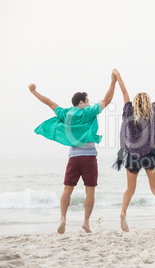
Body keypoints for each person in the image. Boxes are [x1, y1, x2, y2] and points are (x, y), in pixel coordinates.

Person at [29, 71, 117, 234]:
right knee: (90, 190)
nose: (90, 103)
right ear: (82, 102)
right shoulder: (88, 112)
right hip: (89, 157)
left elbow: (48, 102)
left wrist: (34, 91)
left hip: (73, 159)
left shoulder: (66, 113)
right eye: (88, 101)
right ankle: (85, 223)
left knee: (67, 189)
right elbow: (107, 100)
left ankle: (63, 218)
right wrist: (113, 82)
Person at [113, 69, 155, 231]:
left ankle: (123, 212)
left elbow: (124, 91)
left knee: (130, 189)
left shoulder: (128, 110)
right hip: (149, 156)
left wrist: (118, 76)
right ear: (147, 102)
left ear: (135, 102)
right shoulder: (152, 112)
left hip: (132, 155)